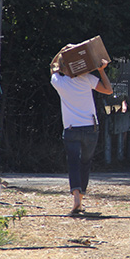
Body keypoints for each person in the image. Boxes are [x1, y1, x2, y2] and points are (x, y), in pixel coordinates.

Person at [50, 54, 113, 215]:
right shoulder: (87, 79)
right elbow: (108, 90)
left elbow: (52, 67)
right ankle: (81, 197)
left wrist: (62, 52)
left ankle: (76, 197)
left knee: (73, 163)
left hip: (71, 129)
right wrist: (101, 70)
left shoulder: (59, 82)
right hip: (90, 128)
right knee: (85, 162)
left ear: (64, 68)